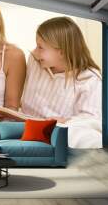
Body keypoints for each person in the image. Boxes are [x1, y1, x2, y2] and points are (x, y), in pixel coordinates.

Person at [21, 17, 102, 148]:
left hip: (54, 134)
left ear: (62, 52)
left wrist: (66, 121)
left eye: (40, 47)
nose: (35, 52)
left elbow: (92, 120)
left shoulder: (90, 79)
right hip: (23, 128)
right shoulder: (35, 62)